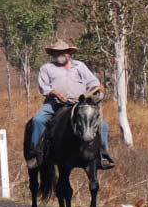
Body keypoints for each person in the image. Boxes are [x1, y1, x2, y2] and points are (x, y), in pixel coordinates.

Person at [29, 39, 116, 170]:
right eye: (56, 52)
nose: (59, 55)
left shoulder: (79, 66)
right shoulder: (47, 68)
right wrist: (55, 93)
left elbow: (92, 82)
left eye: (62, 52)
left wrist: (97, 88)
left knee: (102, 125)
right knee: (37, 120)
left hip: (79, 104)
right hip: (55, 103)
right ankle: (35, 154)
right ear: (52, 53)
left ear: (69, 53)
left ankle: (102, 155)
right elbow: (44, 87)